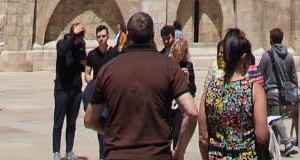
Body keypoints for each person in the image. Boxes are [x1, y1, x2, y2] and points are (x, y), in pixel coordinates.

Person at [86, 10, 198, 160]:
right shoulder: (170, 67)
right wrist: (179, 152)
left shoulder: (108, 69)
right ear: (152, 35)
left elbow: (89, 120)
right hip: (157, 155)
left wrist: (111, 133)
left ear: (129, 36)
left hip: (118, 154)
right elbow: (191, 112)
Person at [198, 27, 268, 160]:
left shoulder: (209, 89)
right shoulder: (254, 90)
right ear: (244, 58)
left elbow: (203, 137)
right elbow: (261, 136)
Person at [256, 27, 300, 158]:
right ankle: (273, 149)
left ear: (271, 40)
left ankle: (287, 144)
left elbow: (259, 75)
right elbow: (294, 77)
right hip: (285, 93)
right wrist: (294, 93)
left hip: (271, 92)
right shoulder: (289, 56)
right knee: (274, 120)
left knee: (275, 118)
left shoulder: (267, 56)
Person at [54, 23, 88, 160]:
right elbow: (62, 52)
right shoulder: (61, 44)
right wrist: (73, 36)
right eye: (78, 35)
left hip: (75, 89)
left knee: (72, 122)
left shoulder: (81, 46)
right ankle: (56, 152)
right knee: (58, 122)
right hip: (62, 89)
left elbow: (82, 64)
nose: (80, 38)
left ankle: (69, 151)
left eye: (81, 35)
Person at [87, 23, 119, 159]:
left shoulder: (114, 54)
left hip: (111, 98)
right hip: (98, 99)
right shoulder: (92, 55)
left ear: (108, 37)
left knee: (113, 129)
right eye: (99, 37)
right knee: (101, 132)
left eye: (104, 36)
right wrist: (94, 84)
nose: (101, 39)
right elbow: (87, 74)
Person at [170, 36, 198, 145]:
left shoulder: (188, 66)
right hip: (168, 103)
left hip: (179, 105)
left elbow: (193, 90)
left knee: (177, 134)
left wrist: (186, 80)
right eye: (176, 54)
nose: (178, 57)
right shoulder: (169, 64)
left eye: (181, 54)